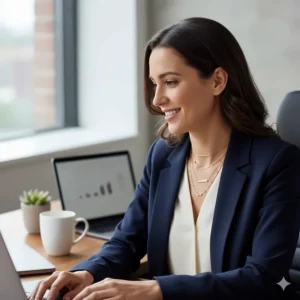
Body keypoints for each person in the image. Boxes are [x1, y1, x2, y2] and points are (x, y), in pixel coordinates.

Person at [30, 17, 300, 300]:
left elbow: (262, 278)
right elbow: (127, 239)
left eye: (170, 82)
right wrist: (87, 273)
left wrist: (157, 289)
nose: (157, 99)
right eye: (154, 83)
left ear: (217, 81)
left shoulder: (276, 163)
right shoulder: (163, 156)